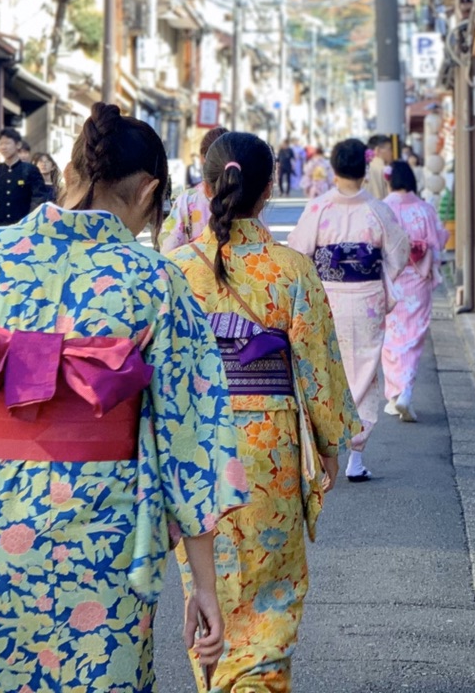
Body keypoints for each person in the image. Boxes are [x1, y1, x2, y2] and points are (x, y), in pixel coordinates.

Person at [0, 103, 244, 691]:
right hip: (104, 531)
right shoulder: (154, 280)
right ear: (149, 192)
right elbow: (190, 438)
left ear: (69, 171)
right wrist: (205, 588)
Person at [168, 132, 360, 692]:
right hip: (270, 444)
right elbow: (317, 368)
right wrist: (327, 447)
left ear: (204, 188)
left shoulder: (176, 269)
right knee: (271, 592)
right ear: (270, 188)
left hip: (199, 445)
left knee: (210, 586)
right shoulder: (291, 270)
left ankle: (216, 682)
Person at [287, 138, 408, 482]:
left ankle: (320, 449)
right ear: (363, 168)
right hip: (367, 298)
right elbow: (398, 251)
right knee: (364, 373)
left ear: (335, 168)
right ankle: (356, 454)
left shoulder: (318, 207)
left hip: (327, 297)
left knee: (323, 367)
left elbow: (298, 252)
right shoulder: (378, 209)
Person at [379, 159, 448, 423]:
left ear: (389, 180)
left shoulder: (384, 208)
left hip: (393, 279)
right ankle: (405, 391)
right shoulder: (424, 209)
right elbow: (438, 239)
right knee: (413, 338)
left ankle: (395, 396)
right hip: (418, 278)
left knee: (391, 338)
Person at [162, 126, 228, 253]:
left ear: (203, 158)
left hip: (191, 270)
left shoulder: (187, 200)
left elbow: (168, 250)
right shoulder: (248, 198)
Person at [0, 126, 50, 228]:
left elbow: (39, 198)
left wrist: (29, 221)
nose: (3, 147)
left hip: (24, 227)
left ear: (18, 145)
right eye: (1, 143)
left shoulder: (30, 170)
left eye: (7, 143)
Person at [364, 134, 394, 200]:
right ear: (377, 150)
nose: (391, 153)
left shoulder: (362, 168)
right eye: (389, 149)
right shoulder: (386, 170)